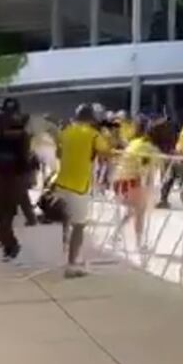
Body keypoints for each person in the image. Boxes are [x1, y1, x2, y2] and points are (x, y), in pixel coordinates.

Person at [53, 104, 111, 276]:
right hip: (79, 185)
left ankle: (64, 256)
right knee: (78, 226)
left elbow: (58, 154)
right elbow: (106, 152)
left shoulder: (65, 132)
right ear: (91, 119)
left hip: (61, 182)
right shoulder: (93, 135)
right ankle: (72, 265)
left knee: (66, 222)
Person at [0, 98, 33, 260]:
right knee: (5, 213)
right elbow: (25, 157)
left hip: (6, 176)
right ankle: (9, 244)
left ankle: (10, 244)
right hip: (11, 176)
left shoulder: (0, 133)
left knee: (4, 213)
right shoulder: (22, 133)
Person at [112, 119, 163, 250]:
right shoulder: (149, 149)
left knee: (131, 211)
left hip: (119, 181)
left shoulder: (134, 143)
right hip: (131, 182)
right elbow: (145, 171)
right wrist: (150, 189)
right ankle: (139, 244)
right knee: (139, 212)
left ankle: (114, 234)